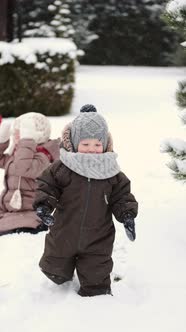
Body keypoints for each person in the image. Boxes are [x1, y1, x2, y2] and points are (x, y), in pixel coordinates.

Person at [33, 104, 138, 297]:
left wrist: (127, 216)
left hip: (98, 236)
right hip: (65, 230)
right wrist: (43, 206)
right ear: (73, 142)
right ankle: (59, 277)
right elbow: (47, 186)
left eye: (97, 145)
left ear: (106, 145)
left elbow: (122, 196)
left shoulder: (111, 172)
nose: (92, 150)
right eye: (86, 144)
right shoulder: (62, 167)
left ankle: (95, 301)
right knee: (54, 267)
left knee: (97, 275)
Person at [0, 112, 60, 236]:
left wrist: (26, 141)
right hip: (9, 210)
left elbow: (23, 168)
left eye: (20, 132)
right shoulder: (20, 154)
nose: (15, 135)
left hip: (30, 213)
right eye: (15, 132)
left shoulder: (43, 157)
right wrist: (2, 142)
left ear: (33, 135)